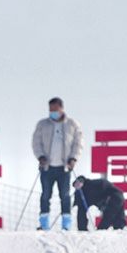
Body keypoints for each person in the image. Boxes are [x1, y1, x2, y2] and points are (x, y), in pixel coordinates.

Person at [30, 97, 84, 231]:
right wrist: (40, 156)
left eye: (55, 109)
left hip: (64, 168)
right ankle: (44, 223)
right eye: (50, 110)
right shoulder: (42, 124)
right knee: (45, 195)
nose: (52, 112)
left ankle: (66, 224)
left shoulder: (72, 124)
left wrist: (73, 158)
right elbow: (36, 142)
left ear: (61, 109)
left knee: (65, 195)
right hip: (47, 167)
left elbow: (78, 143)